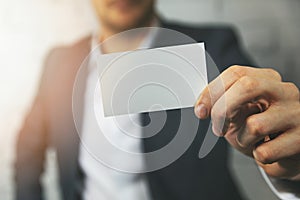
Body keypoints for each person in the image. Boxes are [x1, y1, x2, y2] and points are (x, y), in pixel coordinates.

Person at [15, 0, 300, 200]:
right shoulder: (60, 63)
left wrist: (291, 156)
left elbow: (271, 126)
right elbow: (27, 152)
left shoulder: (211, 47)